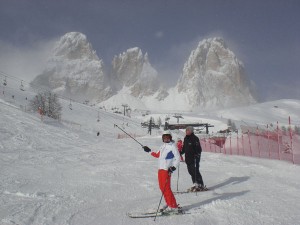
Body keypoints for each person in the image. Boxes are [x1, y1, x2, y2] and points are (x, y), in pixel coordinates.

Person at [143, 130, 182, 213]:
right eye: (164, 138)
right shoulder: (162, 146)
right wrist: (149, 151)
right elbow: (157, 155)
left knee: (166, 188)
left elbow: (178, 158)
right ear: (162, 139)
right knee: (162, 188)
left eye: (167, 138)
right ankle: (168, 203)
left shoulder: (173, 146)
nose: (166, 139)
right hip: (160, 169)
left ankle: (173, 206)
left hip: (166, 170)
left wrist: (173, 167)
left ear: (170, 138)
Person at [181, 126, 207, 192]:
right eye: (186, 130)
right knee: (191, 172)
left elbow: (199, 149)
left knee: (195, 171)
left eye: (188, 130)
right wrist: (180, 152)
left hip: (194, 158)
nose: (186, 131)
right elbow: (184, 148)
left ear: (191, 131)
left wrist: (197, 154)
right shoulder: (185, 138)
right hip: (188, 158)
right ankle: (195, 184)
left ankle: (200, 185)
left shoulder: (195, 138)